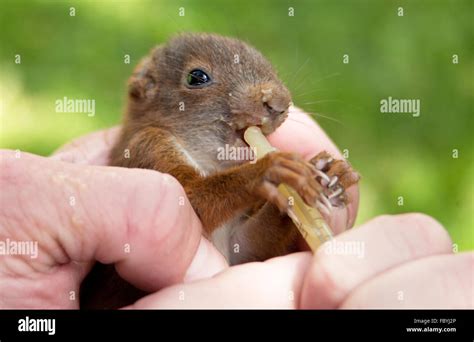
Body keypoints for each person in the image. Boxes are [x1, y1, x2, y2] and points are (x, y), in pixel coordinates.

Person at [0, 109, 471, 309]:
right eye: (200, 81)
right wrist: (255, 178)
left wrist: (295, 197)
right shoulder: (149, 143)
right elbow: (190, 209)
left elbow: (244, 249)